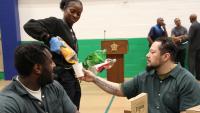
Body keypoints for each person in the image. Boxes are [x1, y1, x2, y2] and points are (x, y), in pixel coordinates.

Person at [81, 38, 200, 113]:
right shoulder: (145, 76)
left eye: (152, 52)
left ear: (166, 57)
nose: (147, 55)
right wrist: (94, 79)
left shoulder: (187, 81)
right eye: (149, 51)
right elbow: (119, 90)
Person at [23, 0, 83, 109]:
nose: (75, 15)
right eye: (72, 11)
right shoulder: (56, 23)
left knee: (74, 105)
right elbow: (29, 26)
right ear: (64, 8)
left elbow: (68, 57)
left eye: (79, 14)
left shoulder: (71, 31)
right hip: (60, 77)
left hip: (71, 77)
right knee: (64, 107)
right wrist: (48, 38)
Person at [0, 43, 79, 113]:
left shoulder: (54, 87)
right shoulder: (8, 104)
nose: (54, 65)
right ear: (38, 68)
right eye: (50, 62)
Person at [187, 14, 200, 81]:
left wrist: (181, 39)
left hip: (193, 48)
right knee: (198, 63)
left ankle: (191, 79)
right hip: (199, 47)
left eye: (189, 18)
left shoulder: (193, 26)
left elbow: (190, 37)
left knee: (191, 63)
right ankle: (198, 77)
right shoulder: (199, 24)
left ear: (191, 19)